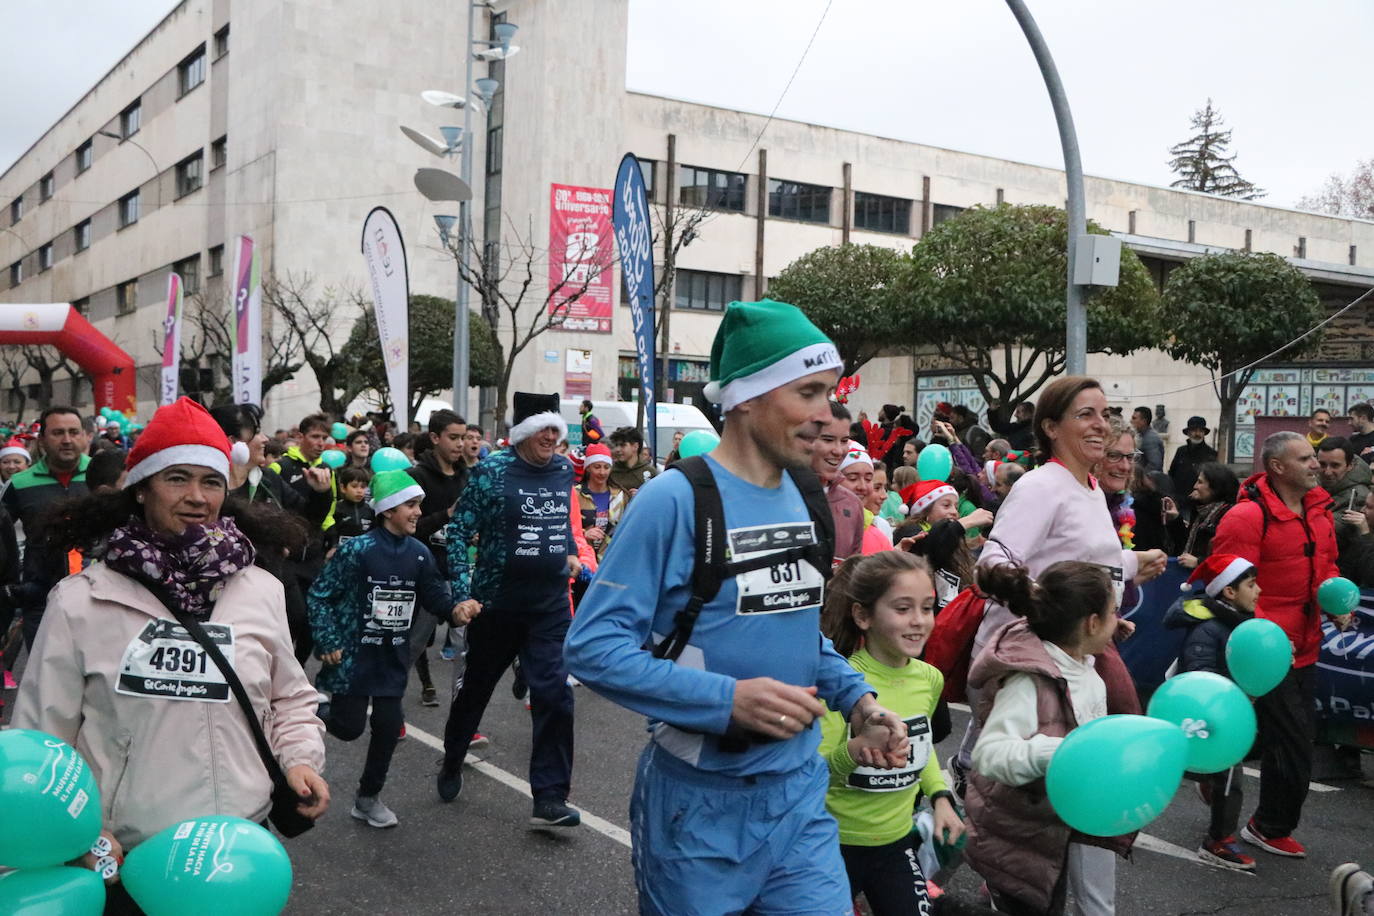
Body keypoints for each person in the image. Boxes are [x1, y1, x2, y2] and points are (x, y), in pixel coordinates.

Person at [565, 299, 908, 914]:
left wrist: (857, 699)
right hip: (699, 807)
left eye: (828, 394)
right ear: (747, 398)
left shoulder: (805, 498)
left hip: (800, 801)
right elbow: (592, 649)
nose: (824, 415)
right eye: (807, 392)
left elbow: (801, 631)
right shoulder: (673, 500)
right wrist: (727, 701)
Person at [13, 397, 328, 907]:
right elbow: (43, 745)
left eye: (211, 482)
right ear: (141, 489)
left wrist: (299, 759)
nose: (197, 497)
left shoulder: (260, 589)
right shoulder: (81, 600)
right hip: (131, 860)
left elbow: (290, 698)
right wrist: (80, 840)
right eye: (176, 478)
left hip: (238, 853)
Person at [959, 377, 1166, 810]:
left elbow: (1074, 560)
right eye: (1085, 415)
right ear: (1051, 428)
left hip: (1067, 661)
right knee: (997, 805)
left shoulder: (1089, 488)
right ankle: (926, 859)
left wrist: (1131, 564)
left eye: (1104, 415)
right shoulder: (1041, 486)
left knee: (1021, 804)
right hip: (1022, 663)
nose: (1100, 425)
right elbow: (992, 566)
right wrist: (1051, 610)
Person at [436, 392, 596, 827]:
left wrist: (567, 551)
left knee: (556, 696)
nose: (549, 436)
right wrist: (460, 596)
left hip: (548, 608)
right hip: (497, 605)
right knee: (475, 694)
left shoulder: (564, 470)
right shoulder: (492, 472)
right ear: (525, 432)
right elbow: (458, 533)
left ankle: (549, 798)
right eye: (542, 428)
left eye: (555, 429)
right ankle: (452, 758)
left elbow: (558, 519)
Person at [1212, 430, 1353, 857]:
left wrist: (1334, 599)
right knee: (1290, 740)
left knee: (1287, 738)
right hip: (1263, 651)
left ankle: (1263, 822)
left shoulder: (1320, 510)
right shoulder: (1246, 517)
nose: (1316, 465)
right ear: (1277, 467)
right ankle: (1265, 825)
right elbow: (1227, 585)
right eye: (1306, 458)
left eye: (1316, 458)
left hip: (1306, 643)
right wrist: (1265, 638)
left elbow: (1325, 564)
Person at [307, 470, 474, 828]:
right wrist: (329, 640)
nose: (418, 513)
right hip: (354, 658)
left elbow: (434, 595)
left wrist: (456, 612)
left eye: (418, 505)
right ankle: (317, 709)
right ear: (387, 510)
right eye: (410, 505)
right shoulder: (357, 550)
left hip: (392, 659)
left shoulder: (419, 553)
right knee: (349, 728)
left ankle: (367, 799)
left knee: (388, 728)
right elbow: (320, 596)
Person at [967, 561, 1126, 916]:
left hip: (1048, 830)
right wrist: (1067, 751)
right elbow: (989, 755)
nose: (1120, 621)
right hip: (1018, 837)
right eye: (1114, 612)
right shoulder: (1029, 681)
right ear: (1092, 623)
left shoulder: (1086, 671)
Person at [818, 551, 965, 916]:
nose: (919, 621)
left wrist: (941, 796)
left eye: (928, 607)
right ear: (863, 616)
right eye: (902, 609)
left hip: (897, 842)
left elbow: (921, 742)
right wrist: (854, 750)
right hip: (833, 844)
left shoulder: (929, 678)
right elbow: (811, 773)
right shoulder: (842, 683)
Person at [1165, 553, 1260, 871]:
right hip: (1209, 713)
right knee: (1231, 776)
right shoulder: (1209, 629)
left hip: (1227, 711)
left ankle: (1209, 783)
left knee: (1222, 772)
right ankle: (1218, 841)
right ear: (1229, 592)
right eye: (1251, 584)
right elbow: (1199, 672)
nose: (1258, 590)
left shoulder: (1240, 622)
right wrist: (1226, 702)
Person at [3, 405, 92, 649]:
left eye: (74, 432)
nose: (67, 440)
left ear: (85, 436)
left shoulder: (102, 477)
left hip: (98, 598)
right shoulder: (20, 484)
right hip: (41, 600)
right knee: (43, 680)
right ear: (42, 439)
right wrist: (11, 585)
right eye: (57, 433)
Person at [405, 409, 471, 707]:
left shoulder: (466, 477)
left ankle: (463, 720)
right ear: (434, 438)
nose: (460, 444)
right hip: (421, 574)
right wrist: (445, 515)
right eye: (453, 437)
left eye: (464, 437)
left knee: (465, 647)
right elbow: (406, 528)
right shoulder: (415, 477)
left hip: (458, 573)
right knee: (413, 645)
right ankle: (391, 710)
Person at [815, 401, 866, 560]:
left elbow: (853, 566)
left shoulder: (852, 503)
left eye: (844, 441)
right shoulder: (781, 495)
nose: (838, 450)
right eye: (828, 439)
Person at [1175, 463, 1241, 569]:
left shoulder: (1228, 515)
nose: (1195, 486)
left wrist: (1199, 562)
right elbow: (1185, 541)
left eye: (1200, 482)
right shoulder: (1200, 511)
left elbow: (1229, 557)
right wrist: (1175, 519)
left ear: (1215, 487)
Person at [1318, 437, 1372, 547]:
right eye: (1322, 464)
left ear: (1350, 466)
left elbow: (1324, 534)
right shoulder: (1311, 484)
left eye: (1335, 465)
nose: (1327, 472)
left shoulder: (1358, 497)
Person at [576, 443, 625, 562]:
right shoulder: (576, 494)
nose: (602, 472)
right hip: (583, 562)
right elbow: (565, 528)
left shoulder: (620, 496)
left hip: (611, 561)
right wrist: (584, 534)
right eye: (597, 467)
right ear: (588, 468)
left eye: (606, 467)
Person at [1168, 416, 1218, 508]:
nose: (1197, 434)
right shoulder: (1181, 451)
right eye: (1194, 430)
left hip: (1200, 503)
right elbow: (1172, 473)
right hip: (1179, 501)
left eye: (1200, 431)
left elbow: (1213, 481)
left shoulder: (1211, 454)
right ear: (1188, 433)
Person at [327, 467, 375, 550]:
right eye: (354, 486)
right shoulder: (336, 509)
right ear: (343, 488)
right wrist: (333, 546)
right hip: (340, 553)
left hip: (363, 554)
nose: (359, 491)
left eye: (363, 487)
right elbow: (331, 532)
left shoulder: (370, 511)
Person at [1337, 491, 1374, 585]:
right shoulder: (1357, 533)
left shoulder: (1365, 534)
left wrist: (1365, 535)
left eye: (1369, 507)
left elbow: (1369, 576)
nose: (1362, 510)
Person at [608, 425, 658, 494]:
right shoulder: (610, 472)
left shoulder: (650, 472)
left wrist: (641, 496)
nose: (618, 449)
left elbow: (657, 497)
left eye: (622, 445)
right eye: (616, 445)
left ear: (635, 446)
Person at [1132, 405, 1164, 473]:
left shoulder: (1150, 438)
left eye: (1134, 418)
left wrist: (1140, 479)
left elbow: (1154, 465)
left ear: (1143, 421)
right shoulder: (1142, 435)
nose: (1131, 421)